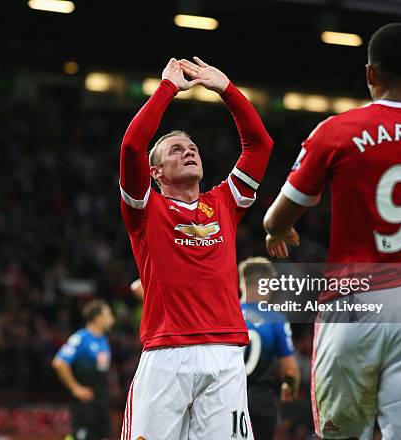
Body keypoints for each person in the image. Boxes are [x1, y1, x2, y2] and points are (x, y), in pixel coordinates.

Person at [263, 23, 401, 440]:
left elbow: (276, 219)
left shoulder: (334, 132)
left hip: (351, 308)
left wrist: (279, 232)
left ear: (370, 74)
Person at [119, 56, 273, 439]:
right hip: (166, 353)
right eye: (174, 150)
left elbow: (260, 145)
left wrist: (227, 91)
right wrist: (167, 88)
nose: (188, 151)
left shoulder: (224, 202)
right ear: (154, 173)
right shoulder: (145, 209)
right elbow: (132, 146)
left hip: (225, 354)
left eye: (192, 147)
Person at [238, 256, 301, 440]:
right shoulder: (276, 320)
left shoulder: (224, 313)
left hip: (226, 399)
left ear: (242, 282)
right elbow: (290, 371)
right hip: (261, 403)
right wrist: (290, 387)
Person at [52, 300, 115, 440]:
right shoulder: (80, 338)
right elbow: (59, 362)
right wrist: (75, 388)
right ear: (98, 318)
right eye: (109, 315)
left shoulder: (104, 340)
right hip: (85, 404)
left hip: (102, 402)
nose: (112, 319)